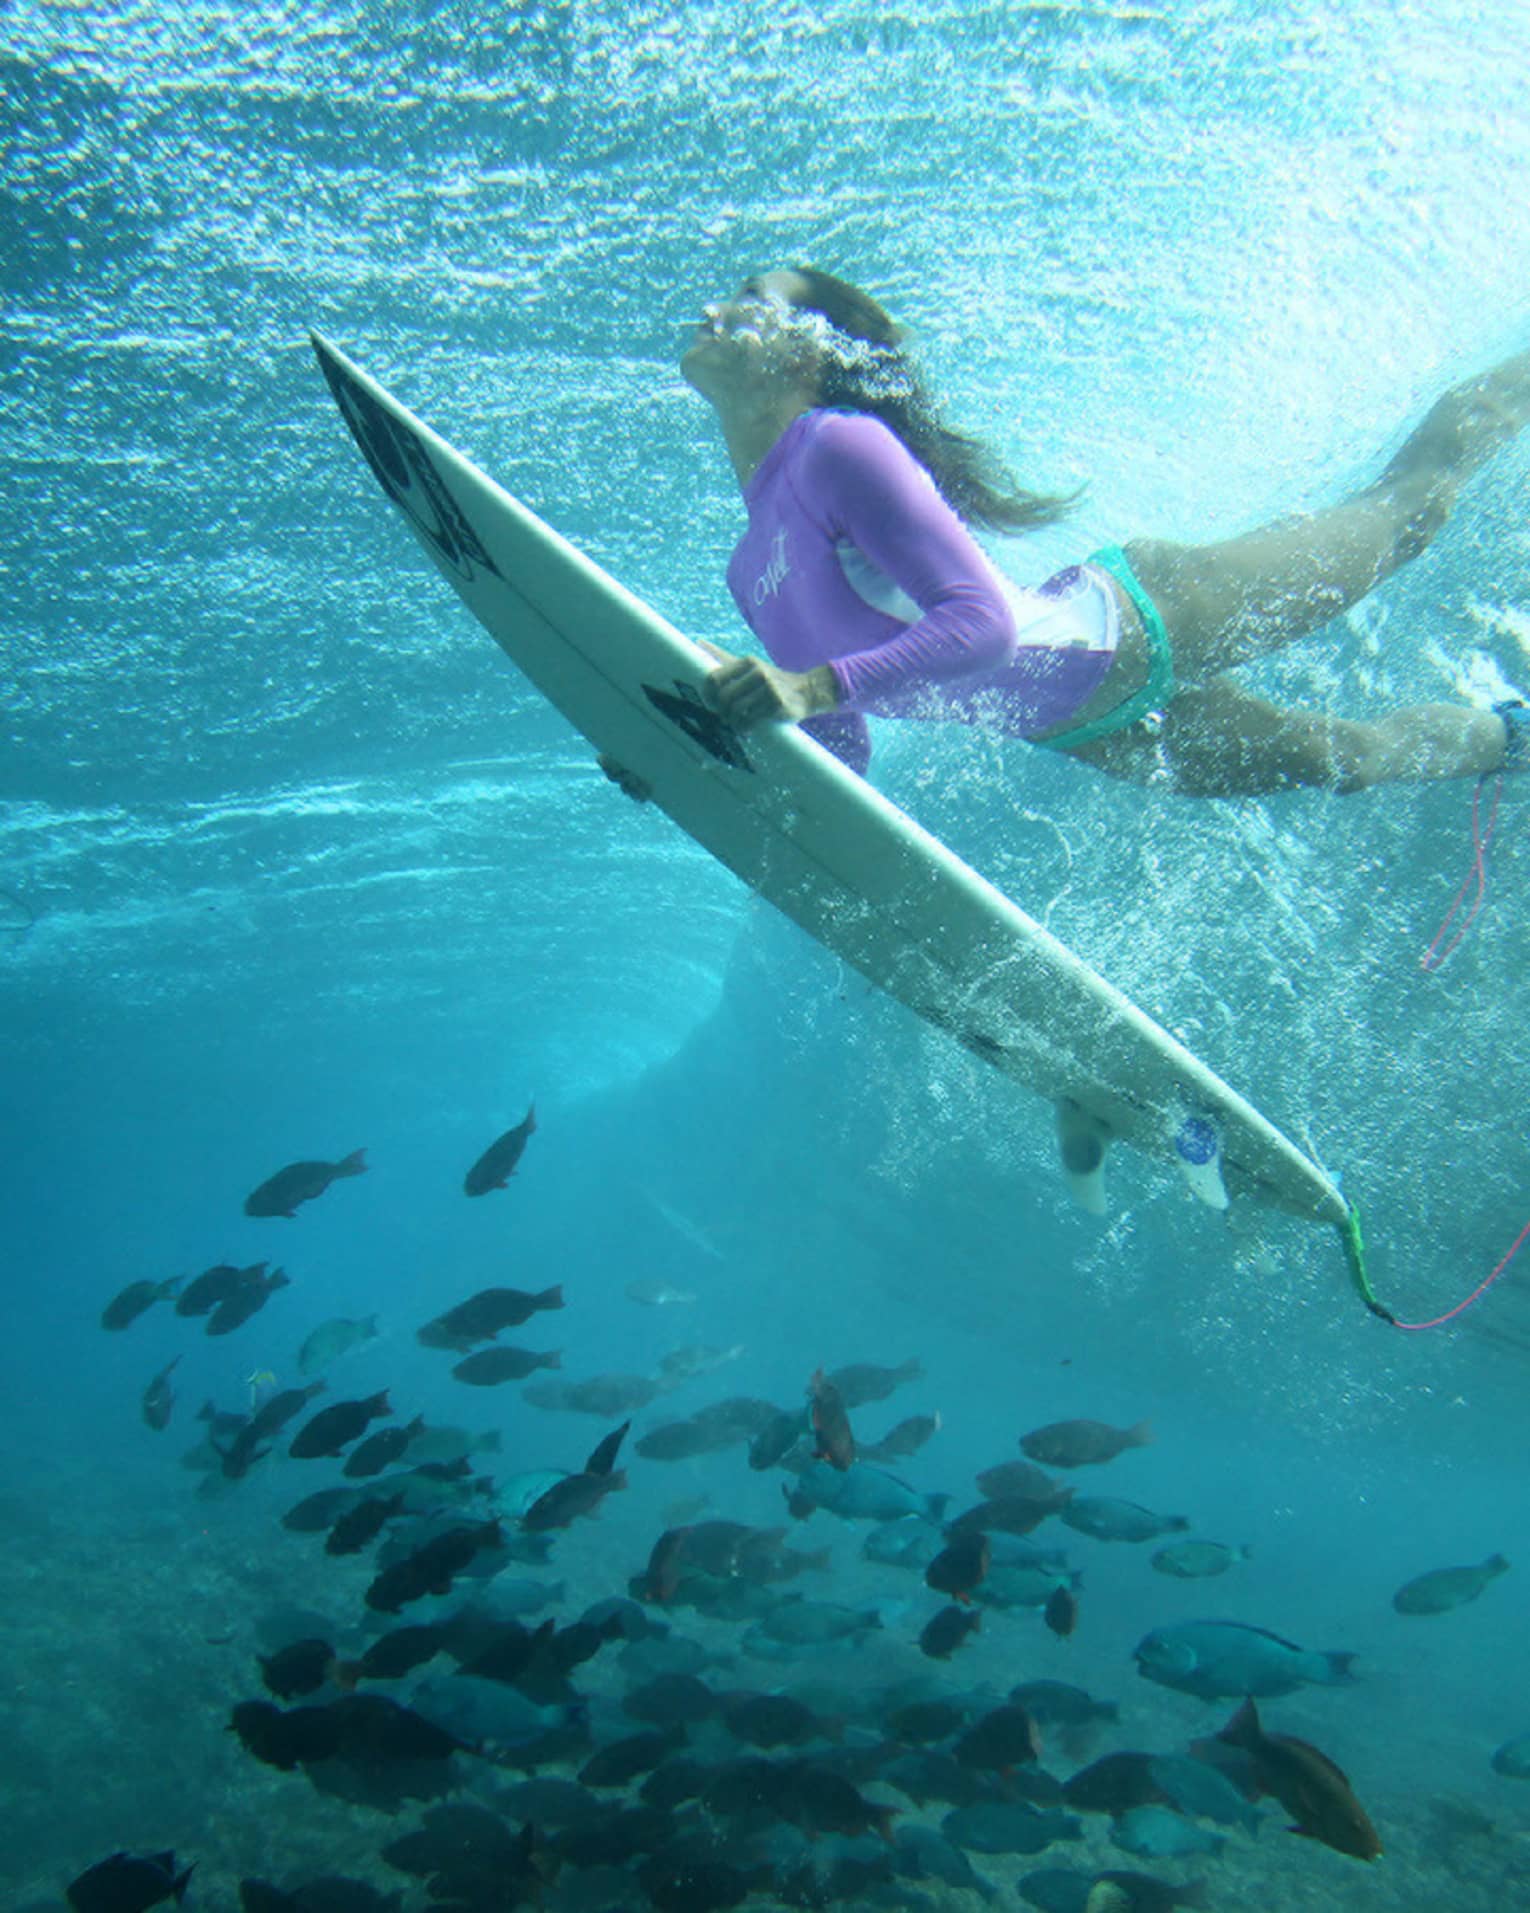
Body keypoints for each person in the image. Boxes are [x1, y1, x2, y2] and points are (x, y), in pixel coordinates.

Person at [611, 264, 1530, 800]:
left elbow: (982, 626)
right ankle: (1510, 736)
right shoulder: (749, 567)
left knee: (1410, 511)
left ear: (808, 354)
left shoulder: (837, 448)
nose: (712, 312)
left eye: (748, 302)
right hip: (1093, 730)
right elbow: (840, 740)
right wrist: (704, 758)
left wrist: (805, 685)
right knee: (1348, 760)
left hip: (1153, 618)